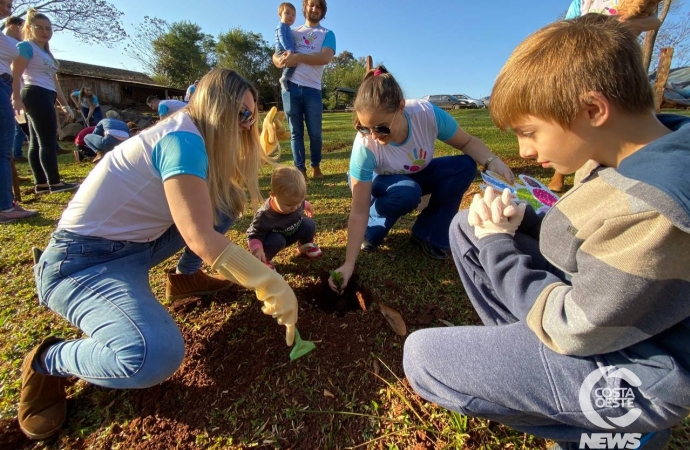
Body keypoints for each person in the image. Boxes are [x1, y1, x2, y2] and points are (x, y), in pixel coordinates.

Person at [403, 15, 690, 450]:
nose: (524, 150)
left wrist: (500, 243)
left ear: (593, 110)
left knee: (423, 359)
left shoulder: (653, 206)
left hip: (640, 370)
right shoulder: (619, 152)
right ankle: (541, 367)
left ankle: (618, 432)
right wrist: (521, 221)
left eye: (529, 132)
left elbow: (575, 324)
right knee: (467, 227)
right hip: (604, 322)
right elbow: (588, 239)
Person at [19, 68, 299, 440]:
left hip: (135, 246)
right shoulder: (182, 139)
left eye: (253, 115)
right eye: (244, 115)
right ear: (218, 107)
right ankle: (45, 361)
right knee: (152, 354)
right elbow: (199, 236)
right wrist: (269, 283)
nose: (248, 125)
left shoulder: (193, 134)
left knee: (225, 202)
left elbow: (203, 215)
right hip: (82, 263)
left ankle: (186, 279)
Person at [328, 65, 514, 290]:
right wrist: (349, 263)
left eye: (381, 128)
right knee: (406, 192)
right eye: (365, 128)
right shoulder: (365, 145)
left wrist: (493, 161)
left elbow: (466, 142)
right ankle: (375, 220)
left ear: (401, 107)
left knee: (464, 165)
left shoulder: (426, 115)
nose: (374, 137)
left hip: (415, 175)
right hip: (379, 184)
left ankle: (429, 234)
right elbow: (358, 210)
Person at [548, 0, 662, 192]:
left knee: (619, 120)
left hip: (619, 64)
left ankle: (631, 173)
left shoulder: (625, 2)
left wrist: (627, 25)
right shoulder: (581, 3)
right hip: (584, 65)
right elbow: (566, 29)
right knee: (580, 121)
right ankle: (565, 174)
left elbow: (654, 22)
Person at [11, 8, 78, 195]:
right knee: (48, 140)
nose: (45, 32)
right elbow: (15, 73)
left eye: (48, 28)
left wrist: (64, 105)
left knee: (36, 141)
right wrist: (15, 97)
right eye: (39, 27)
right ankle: (54, 183)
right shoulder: (26, 47)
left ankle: (41, 184)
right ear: (29, 28)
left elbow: (54, 82)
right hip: (34, 93)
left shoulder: (46, 53)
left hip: (47, 94)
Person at [272, 0, 335, 180]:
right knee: (295, 133)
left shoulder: (327, 34)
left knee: (315, 133)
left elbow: (325, 57)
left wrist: (297, 57)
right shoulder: (291, 31)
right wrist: (279, 61)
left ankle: (315, 166)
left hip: (313, 90)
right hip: (290, 88)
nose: (314, 9)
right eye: (311, 5)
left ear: (323, 11)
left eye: (319, 6)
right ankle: (300, 170)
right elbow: (276, 56)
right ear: (305, 8)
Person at [0, 3, 37, 223]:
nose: (7, 10)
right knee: (3, 150)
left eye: (9, 5)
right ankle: (5, 206)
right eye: (3, 4)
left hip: (5, 85)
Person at [247, 165, 322, 269]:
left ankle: (305, 246)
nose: (295, 208)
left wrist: (306, 206)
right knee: (277, 240)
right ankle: (264, 261)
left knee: (309, 224)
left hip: (291, 233)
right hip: (274, 241)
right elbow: (254, 235)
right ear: (273, 196)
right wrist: (257, 250)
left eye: (298, 203)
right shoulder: (264, 215)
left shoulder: (296, 203)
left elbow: (303, 203)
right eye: (289, 205)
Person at [274, 2, 297, 92]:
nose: (290, 16)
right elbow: (282, 38)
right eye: (287, 13)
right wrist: (288, 49)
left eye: (293, 15)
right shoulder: (281, 26)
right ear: (280, 14)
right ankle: (284, 78)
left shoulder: (288, 28)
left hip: (285, 49)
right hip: (282, 49)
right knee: (292, 63)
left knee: (290, 63)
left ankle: (285, 78)